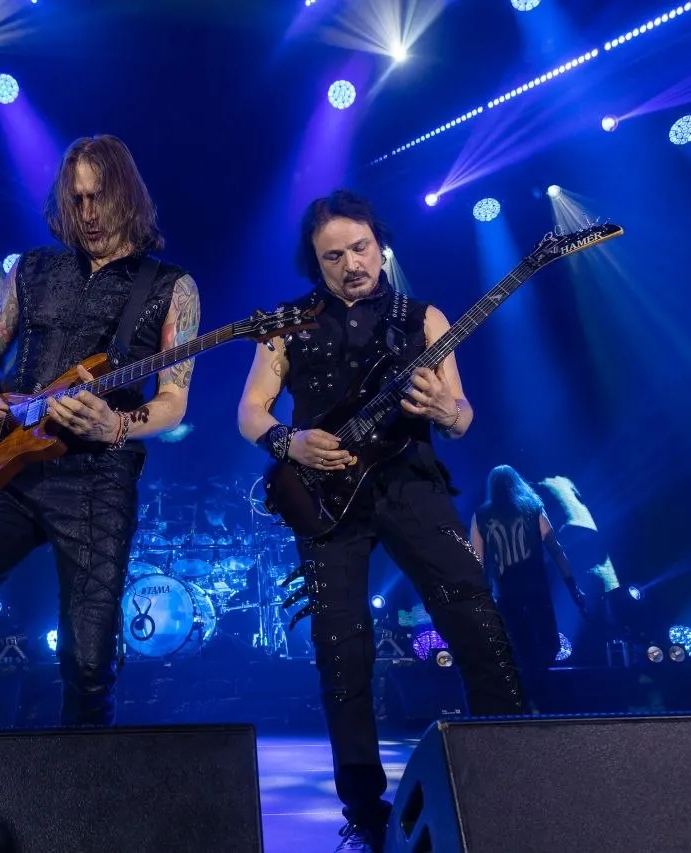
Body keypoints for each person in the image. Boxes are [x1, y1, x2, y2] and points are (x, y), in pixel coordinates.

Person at [237, 189, 523, 852]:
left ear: (381, 244)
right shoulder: (288, 324)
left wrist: (444, 409)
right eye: (333, 256)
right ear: (315, 262)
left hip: (410, 485)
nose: (351, 264)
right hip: (325, 498)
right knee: (342, 652)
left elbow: (462, 415)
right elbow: (251, 411)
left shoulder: (423, 317)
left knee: (474, 615)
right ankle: (365, 811)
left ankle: (510, 769)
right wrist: (290, 441)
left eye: (360, 248)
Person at [0, 135, 200, 730]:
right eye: (76, 198)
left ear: (128, 196)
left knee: (88, 661)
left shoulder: (171, 287)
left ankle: (80, 785)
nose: (87, 213)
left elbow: (173, 400)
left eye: (99, 197)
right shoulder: (32, 269)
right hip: (5, 466)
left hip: (96, 475)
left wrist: (118, 423)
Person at [471, 465, 586, 712]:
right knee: (549, 646)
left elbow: (476, 562)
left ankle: (523, 701)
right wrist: (573, 587)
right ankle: (530, 700)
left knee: (522, 651)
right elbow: (555, 549)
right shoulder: (532, 508)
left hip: (505, 594)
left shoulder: (481, 515)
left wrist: (481, 599)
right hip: (536, 591)